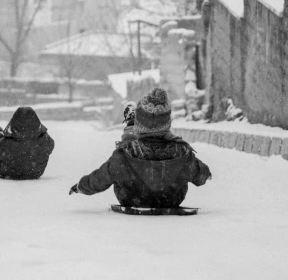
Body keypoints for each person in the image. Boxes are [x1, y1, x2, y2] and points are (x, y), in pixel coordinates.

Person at [69, 87, 211, 208]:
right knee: (137, 146)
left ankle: (131, 126)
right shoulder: (182, 153)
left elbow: (99, 179)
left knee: (128, 147)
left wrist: (80, 186)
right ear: (167, 123)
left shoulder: (123, 156)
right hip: (170, 200)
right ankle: (146, 130)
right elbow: (202, 176)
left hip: (132, 200)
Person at [0, 106, 55, 180]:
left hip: (9, 174)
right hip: (36, 173)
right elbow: (50, 145)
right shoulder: (46, 140)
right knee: (2, 144)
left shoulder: (6, 143)